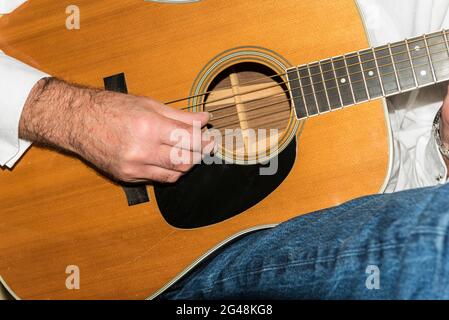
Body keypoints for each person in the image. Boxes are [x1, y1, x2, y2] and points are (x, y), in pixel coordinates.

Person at [2, 0, 449, 299]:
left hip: (254, 243)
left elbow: (388, 195)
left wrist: (444, 142)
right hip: (139, 264)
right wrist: (70, 114)